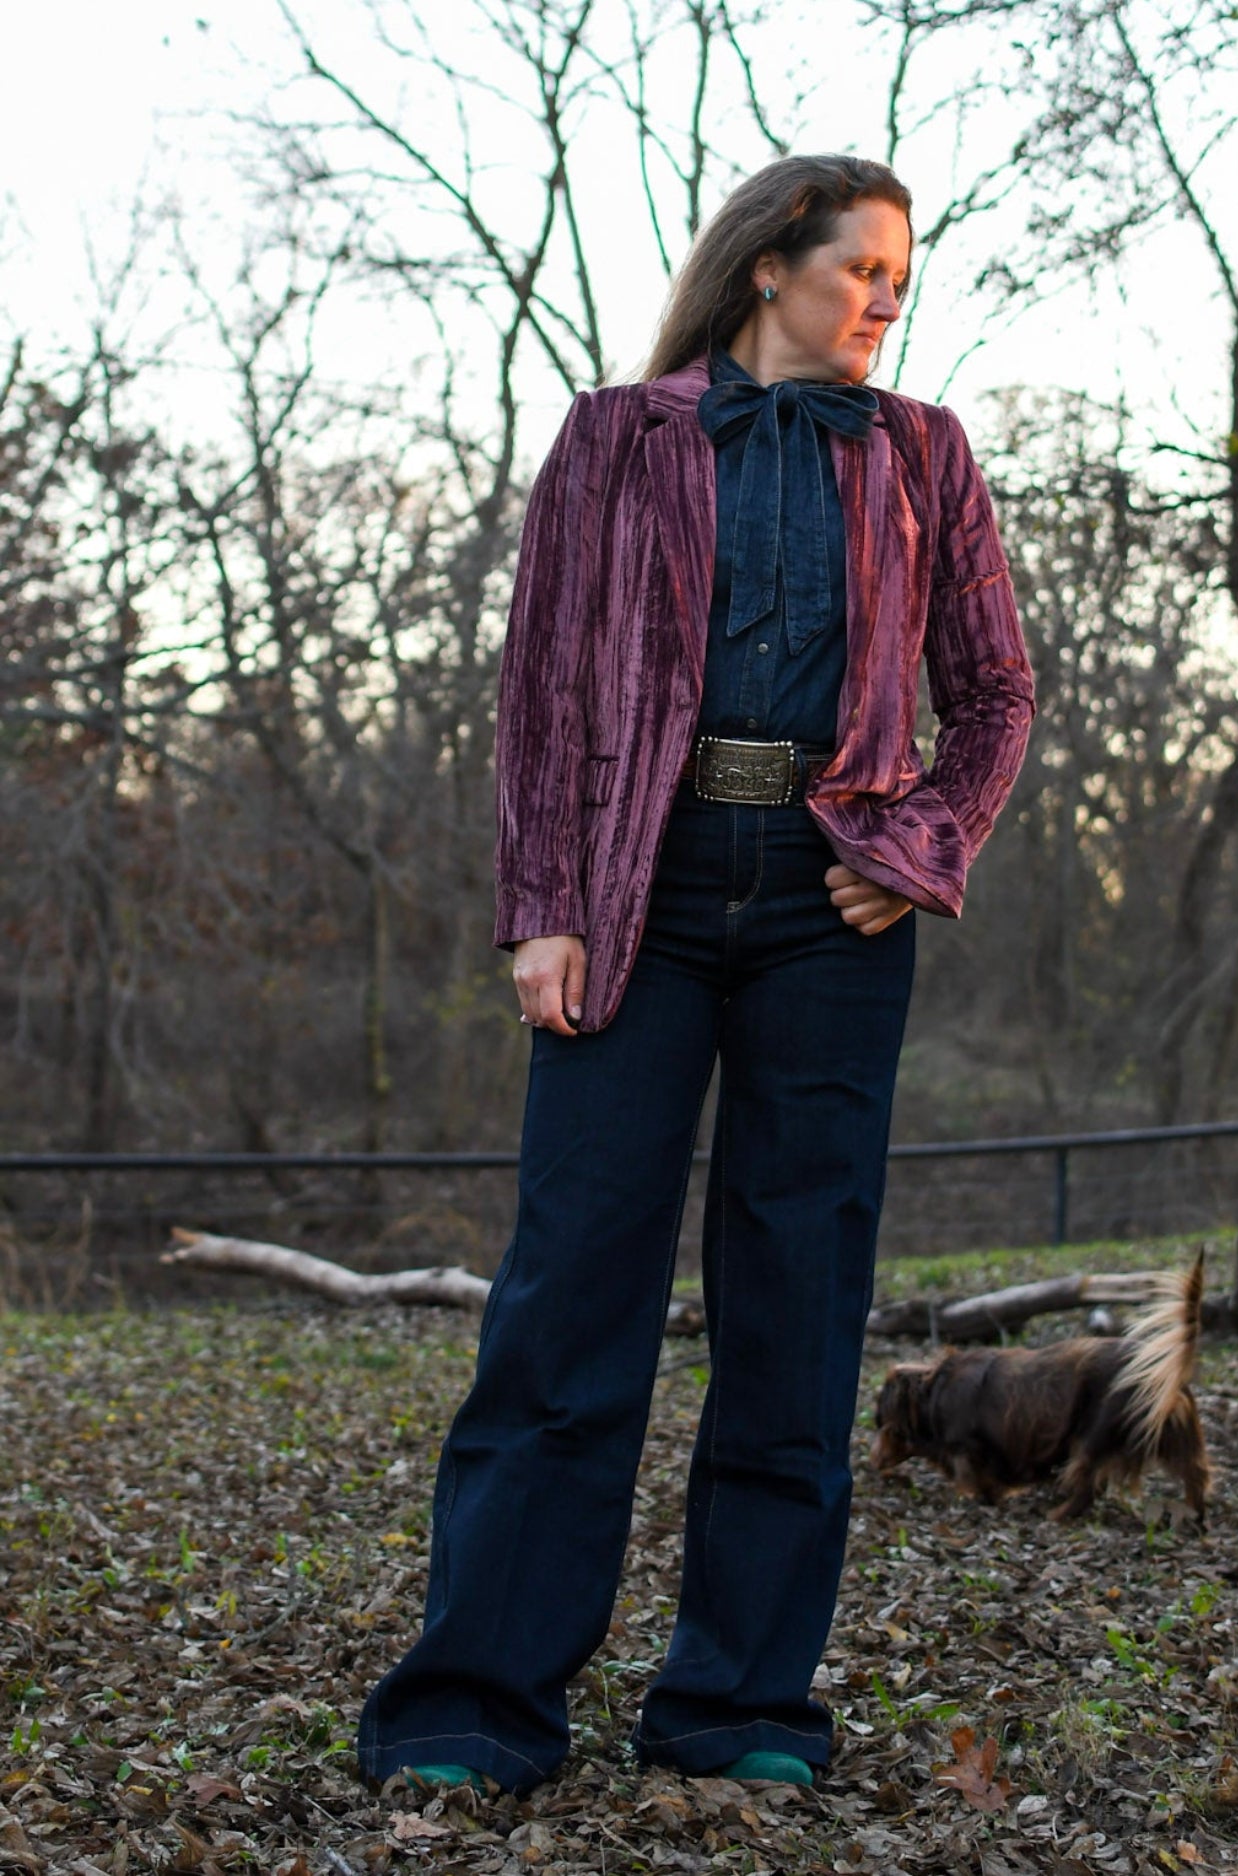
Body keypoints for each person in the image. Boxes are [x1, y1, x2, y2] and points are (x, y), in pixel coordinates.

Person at [357, 153, 1034, 1797]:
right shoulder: (619, 437)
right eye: (862, 266)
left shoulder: (927, 456)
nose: (889, 296)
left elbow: (997, 692)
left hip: (830, 908)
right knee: (567, 1300)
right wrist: (541, 906)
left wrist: (920, 845)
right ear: (765, 268)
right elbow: (541, 693)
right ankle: (475, 1707)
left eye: (902, 275)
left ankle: (738, 1710)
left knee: (795, 1316)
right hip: (632, 896)